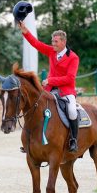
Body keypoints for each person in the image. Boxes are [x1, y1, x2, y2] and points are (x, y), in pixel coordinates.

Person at [18, 21, 79, 153]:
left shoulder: (73, 57)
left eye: (56, 41)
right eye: (52, 41)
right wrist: (25, 31)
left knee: (73, 111)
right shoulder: (51, 51)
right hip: (49, 90)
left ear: (63, 42)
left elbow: (70, 78)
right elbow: (36, 44)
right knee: (35, 107)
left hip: (66, 91)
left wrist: (51, 80)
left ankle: (73, 139)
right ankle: (30, 139)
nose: (53, 43)